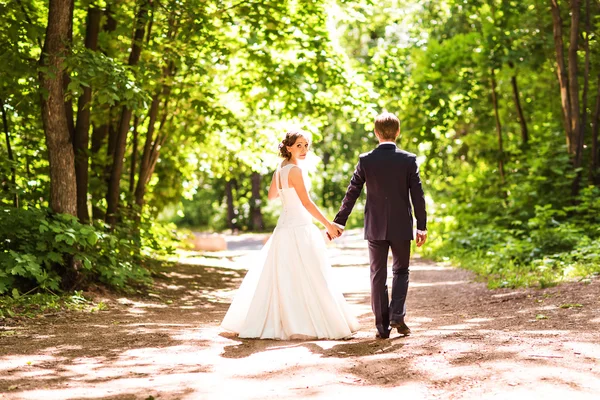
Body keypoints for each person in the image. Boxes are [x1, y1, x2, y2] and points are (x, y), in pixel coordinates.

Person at [221, 129, 359, 340]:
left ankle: (282, 321)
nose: (303, 150)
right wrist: (329, 225)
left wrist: (285, 188)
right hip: (299, 225)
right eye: (298, 146)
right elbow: (306, 202)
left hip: (284, 225)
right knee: (310, 272)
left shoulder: (280, 170)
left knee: (285, 274)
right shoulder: (295, 170)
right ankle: (306, 323)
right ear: (288, 148)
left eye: (306, 145)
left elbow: (271, 196)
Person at [333, 112, 427, 339]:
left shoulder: (366, 160)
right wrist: (421, 226)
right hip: (401, 225)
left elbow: (352, 192)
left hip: (375, 225)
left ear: (376, 133)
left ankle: (381, 327)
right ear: (398, 132)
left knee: (377, 274)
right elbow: (418, 195)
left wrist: (339, 221)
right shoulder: (408, 159)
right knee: (401, 270)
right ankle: (397, 315)